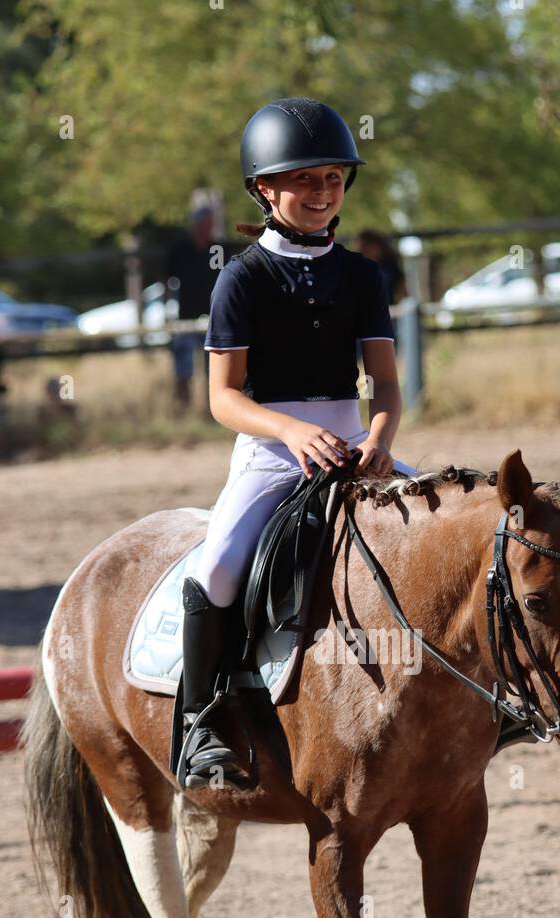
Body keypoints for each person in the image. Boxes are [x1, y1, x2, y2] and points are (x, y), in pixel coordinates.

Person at [177, 96, 416, 790]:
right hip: (270, 451)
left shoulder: (362, 275)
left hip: (353, 444)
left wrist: (378, 437)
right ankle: (204, 723)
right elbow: (224, 398)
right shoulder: (242, 277)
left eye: (333, 179)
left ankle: (489, 701)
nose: (321, 193)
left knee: (451, 529)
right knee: (219, 567)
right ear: (265, 188)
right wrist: (289, 428)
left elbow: (387, 388)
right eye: (305, 180)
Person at [164, 206, 219, 409]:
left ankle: (211, 409)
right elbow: (167, 281)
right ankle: (182, 408)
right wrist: (166, 310)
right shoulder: (180, 249)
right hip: (184, 316)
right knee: (183, 368)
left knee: (212, 369)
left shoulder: (216, 249)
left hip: (212, 317)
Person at [355, 230, 406, 346]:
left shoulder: (389, 266)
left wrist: (404, 307)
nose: (363, 250)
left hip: (388, 314)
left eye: (365, 246)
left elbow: (403, 289)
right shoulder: (357, 266)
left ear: (376, 246)